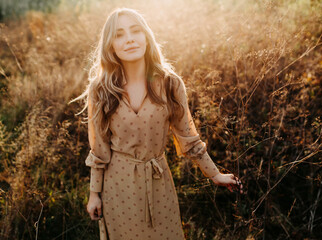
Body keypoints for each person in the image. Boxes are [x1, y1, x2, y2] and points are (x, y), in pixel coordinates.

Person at [70, 7, 243, 240]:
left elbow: (188, 137)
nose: (129, 39)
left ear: (146, 37)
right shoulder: (100, 89)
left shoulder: (171, 84)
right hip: (118, 187)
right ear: (110, 45)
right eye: (119, 34)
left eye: (135, 31)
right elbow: (99, 149)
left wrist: (215, 175)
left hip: (158, 181)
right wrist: (94, 194)